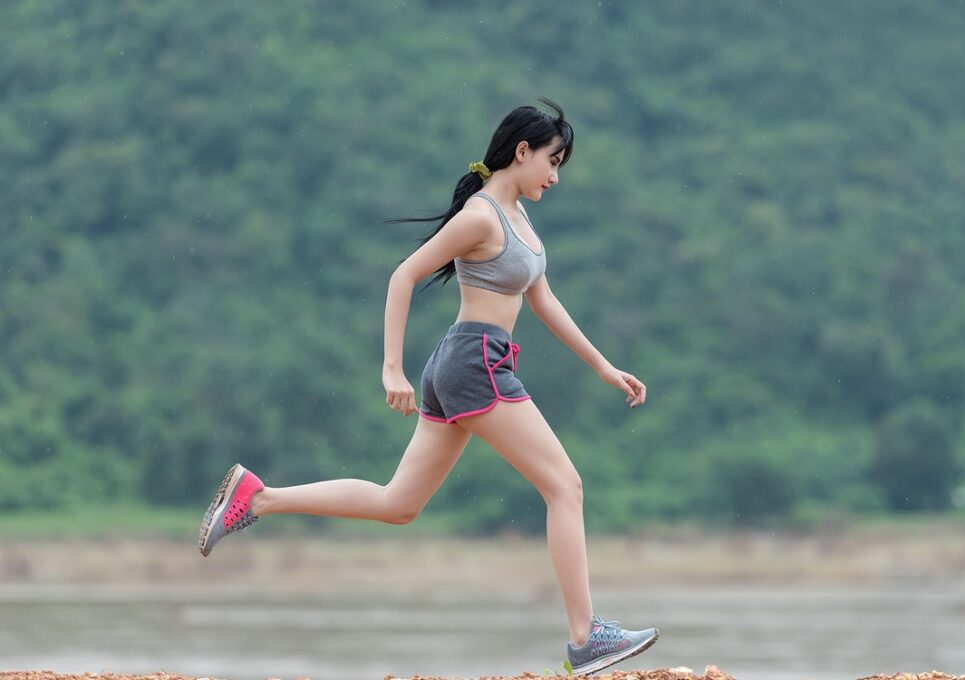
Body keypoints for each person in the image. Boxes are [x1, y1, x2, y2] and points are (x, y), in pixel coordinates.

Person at [197, 98, 659, 675]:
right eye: (552, 161)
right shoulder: (482, 216)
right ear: (523, 152)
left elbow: (543, 299)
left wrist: (602, 366)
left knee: (399, 504)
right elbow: (404, 275)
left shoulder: (518, 217)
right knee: (565, 486)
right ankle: (586, 637)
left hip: (463, 364)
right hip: (475, 364)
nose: (555, 176)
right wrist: (391, 368)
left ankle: (259, 497)